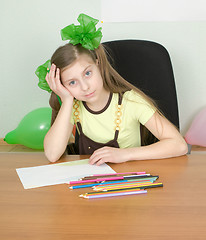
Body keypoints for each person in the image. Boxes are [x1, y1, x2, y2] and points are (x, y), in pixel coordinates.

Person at [37, 14, 188, 165]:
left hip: (130, 179)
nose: (85, 87)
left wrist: (125, 154)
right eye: (72, 83)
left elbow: (179, 145)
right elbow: (52, 154)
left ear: (98, 64)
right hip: (90, 183)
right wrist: (67, 100)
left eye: (87, 73)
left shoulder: (131, 101)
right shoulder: (73, 107)